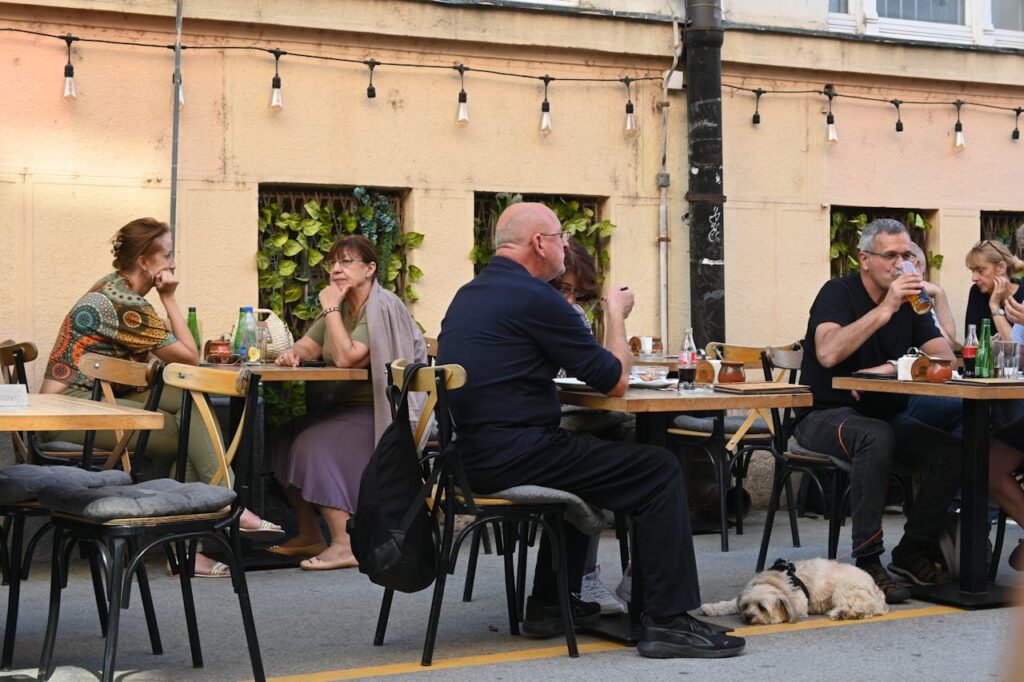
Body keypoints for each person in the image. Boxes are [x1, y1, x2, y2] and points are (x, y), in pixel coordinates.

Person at [437, 202, 744, 659]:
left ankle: (549, 605)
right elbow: (616, 380)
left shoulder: (469, 294)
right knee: (657, 468)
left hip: (469, 457)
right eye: (561, 237)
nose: (566, 245)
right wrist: (616, 314)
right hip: (516, 454)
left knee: (599, 452)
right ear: (540, 243)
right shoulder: (536, 298)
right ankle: (666, 622)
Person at [40, 217, 283, 578]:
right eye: (167, 257)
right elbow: (188, 355)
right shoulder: (124, 302)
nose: (172, 265)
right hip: (70, 412)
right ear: (143, 260)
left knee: (187, 400)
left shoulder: (116, 288)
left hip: (89, 398)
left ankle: (194, 545)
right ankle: (224, 510)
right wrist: (169, 297)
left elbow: (182, 360)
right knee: (184, 428)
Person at [794, 218, 962, 603]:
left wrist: (889, 368)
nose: (901, 264)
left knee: (953, 453)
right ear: (864, 259)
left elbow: (945, 359)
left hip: (885, 414)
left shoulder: (913, 301)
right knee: (875, 434)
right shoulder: (838, 293)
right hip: (822, 415)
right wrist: (885, 308)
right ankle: (867, 560)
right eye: (890, 256)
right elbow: (828, 352)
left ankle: (912, 548)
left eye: (906, 255)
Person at [267, 235, 427, 571]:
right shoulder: (344, 306)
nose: (337, 269)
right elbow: (312, 344)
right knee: (280, 440)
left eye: (347, 262)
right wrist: (293, 353)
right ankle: (311, 534)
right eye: (334, 262)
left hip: (384, 412)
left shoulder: (379, 307)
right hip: (347, 408)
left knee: (312, 445)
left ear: (370, 269)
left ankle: (345, 543)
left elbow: (344, 358)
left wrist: (330, 308)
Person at [550, 238, 628, 615]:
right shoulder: (536, 310)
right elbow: (613, 378)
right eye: (564, 288)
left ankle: (637, 573)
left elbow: (599, 372)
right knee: (619, 441)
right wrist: (617, 317)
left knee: (633, 435)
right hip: (539, 432)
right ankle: (585, 576)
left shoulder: (572, 315)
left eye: (578, 295)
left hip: (560, 417)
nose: (570, 302)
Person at [964, 239, 1024, 341]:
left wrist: (994, 306)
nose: (974, 278)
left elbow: (1016, 351)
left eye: (980, 270)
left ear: (1001, 267)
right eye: (973, 271)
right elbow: (971, 340)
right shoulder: (977, 292)